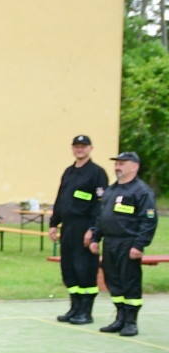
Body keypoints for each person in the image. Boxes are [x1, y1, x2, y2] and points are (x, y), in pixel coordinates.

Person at [88, 152, 158, 337]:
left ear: (134, 166)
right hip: (110, 243)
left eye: (122, 163)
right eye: (116, 163)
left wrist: (139, 245)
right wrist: (96, 238)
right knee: (113, 281)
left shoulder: (141, 191)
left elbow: (148, 220)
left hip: (128, 243)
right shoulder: (111, 190)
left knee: (130, 282)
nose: (117, 167)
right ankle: (120, 317)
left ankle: (131, 322)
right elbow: (101, 217)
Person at [48, 135, 109, 324]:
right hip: (68, 228)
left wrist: (93, 230)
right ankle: (74, 307)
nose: (79, 150)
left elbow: (100, 205)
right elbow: (60, 199)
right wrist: (53, 223)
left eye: (83, 147)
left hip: (85, 227)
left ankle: (86, 310)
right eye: (76, 147)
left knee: (85, 268)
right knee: (69, 268)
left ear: (90, 148)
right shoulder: (69, 172)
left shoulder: (97, 173)